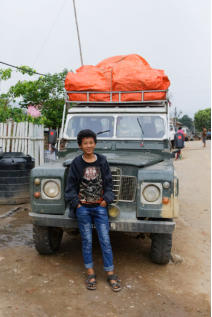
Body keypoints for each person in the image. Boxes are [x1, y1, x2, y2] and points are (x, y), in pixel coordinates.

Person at [65, 129, 121, 292]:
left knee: (105, 240)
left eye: (91, 142)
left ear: (95, 144)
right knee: (87, 241)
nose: (88, 146)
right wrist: (77, 204)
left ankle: (110, 273)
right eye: (85, 143)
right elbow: (70, 187)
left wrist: (106, 200)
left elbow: (109, 183)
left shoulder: (102, 161)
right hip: (83, 209)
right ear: (80, 146)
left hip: (99, 207)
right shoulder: (77, 163)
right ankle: (90, 273)